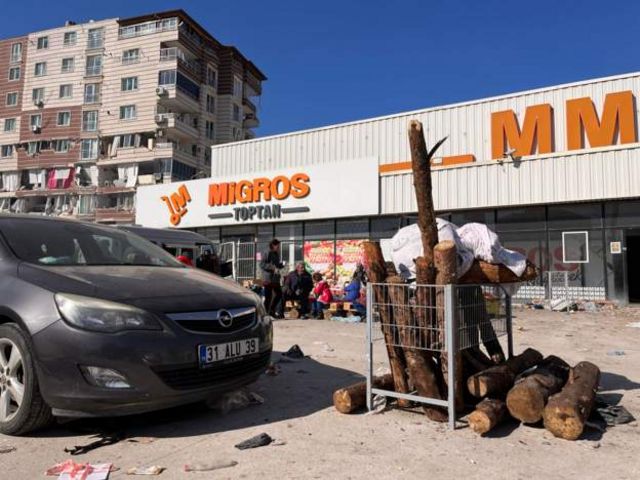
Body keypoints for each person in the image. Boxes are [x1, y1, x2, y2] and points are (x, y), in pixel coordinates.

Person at [260, 238, 285, 318]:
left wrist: (281, 265)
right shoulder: (267, 252)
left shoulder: (276, 253)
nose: (278, 247)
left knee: (279, 294)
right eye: (277, 245)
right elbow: (262, 264)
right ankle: (265, 314)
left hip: (275, 278)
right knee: (268, 297)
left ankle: (271, 310)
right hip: (268, 278)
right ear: (273, 245)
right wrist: (272, 267)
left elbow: (276, 266)